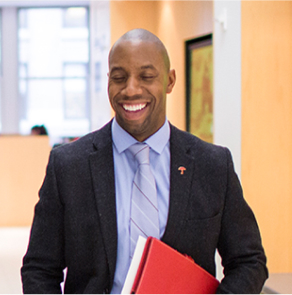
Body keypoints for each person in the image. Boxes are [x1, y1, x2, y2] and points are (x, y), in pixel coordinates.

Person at [21, 28, 268, 294]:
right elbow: (39, 269)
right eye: (119, 77)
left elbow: (249, 261)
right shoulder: (68, 166)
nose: (131, 89)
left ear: (170, 81)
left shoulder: (213, 165)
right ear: (108, 82)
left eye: (146, 76)